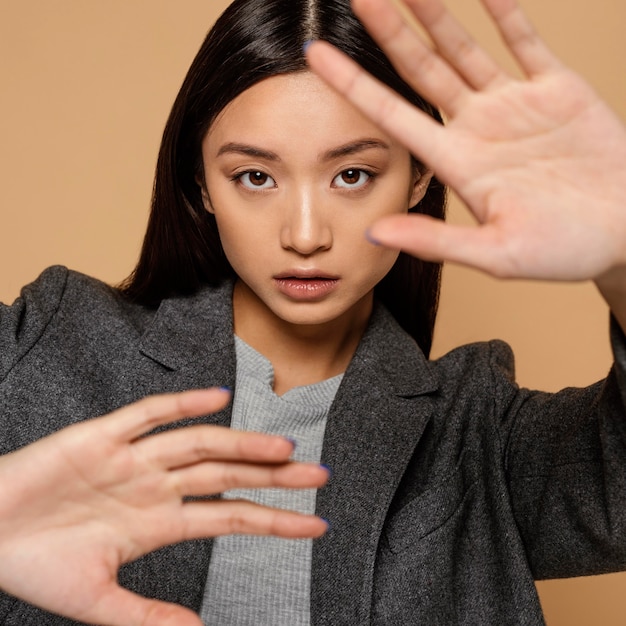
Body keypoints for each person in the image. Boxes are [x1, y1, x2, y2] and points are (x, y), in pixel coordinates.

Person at [1, 1, 625, 626]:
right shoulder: (51, 347)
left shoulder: (478, 433)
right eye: (255, 176)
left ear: (417, 177)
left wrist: (621, 255)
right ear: (200, 184)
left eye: (352, 174)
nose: (304, 236)